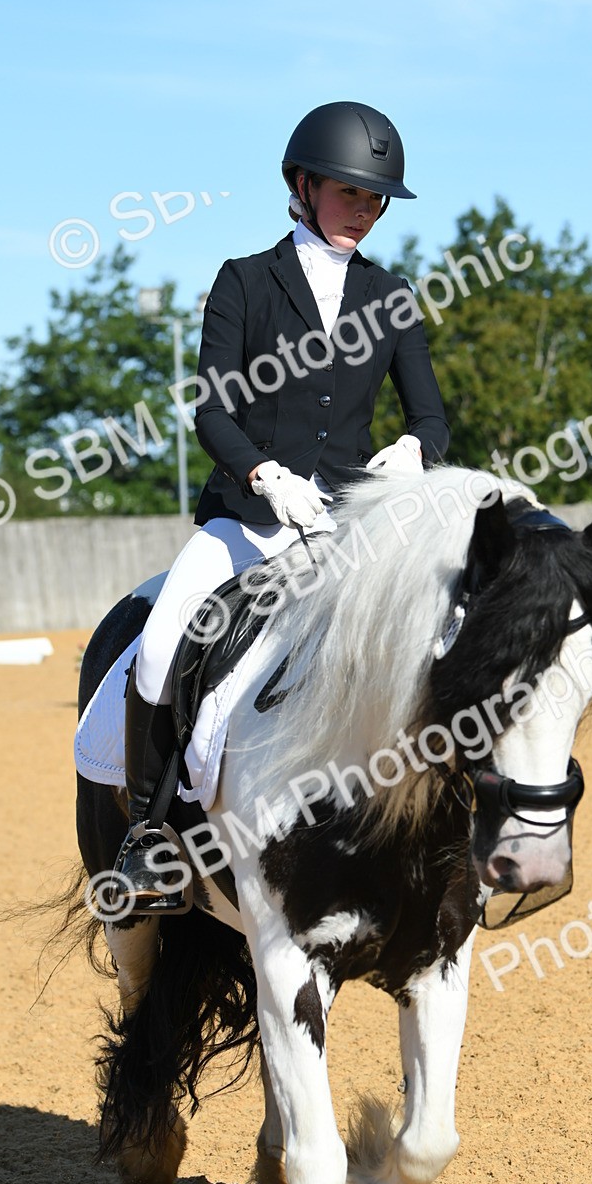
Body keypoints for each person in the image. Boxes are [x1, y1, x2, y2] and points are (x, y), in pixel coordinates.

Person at [114, 100, 450, 912]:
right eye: (348, 194)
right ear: (300, 186)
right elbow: (212, 411)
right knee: (163, 642)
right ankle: (151, 835)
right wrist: (265, 475)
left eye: (374, 201)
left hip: (351, 525)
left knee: (441, 635)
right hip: (250, 518)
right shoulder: (244, 281)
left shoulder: (390, 293)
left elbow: (430, 416)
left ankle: (448, 817)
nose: (363, 213)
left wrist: (411, 452)